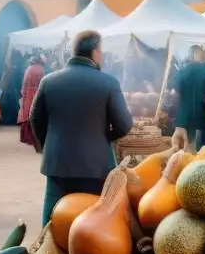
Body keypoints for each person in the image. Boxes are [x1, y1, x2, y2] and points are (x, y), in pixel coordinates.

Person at [30, 31, 134, 225]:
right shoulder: (108, 82)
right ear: (94, 52)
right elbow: (124, 124)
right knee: (93, 219)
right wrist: (105, 137)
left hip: (57, 161)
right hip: (95, 164)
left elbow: (35, 118)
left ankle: (44, 250)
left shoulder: (49, 81)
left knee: (52, 215)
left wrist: (49, 145)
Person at [173, 47, 205, 150]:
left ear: (195, 54)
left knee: (185, 146)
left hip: (185, 114)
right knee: (204, 148)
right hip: (203, 112)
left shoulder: (185, 69)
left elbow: (175, 87)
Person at [18, 55, 46, 152]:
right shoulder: (41, 70)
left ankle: (26, 137)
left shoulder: (28, 69)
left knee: (27, 114)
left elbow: (25, 83)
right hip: (38, 93)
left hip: (28, 94)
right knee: (36, 114)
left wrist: (23, 93)